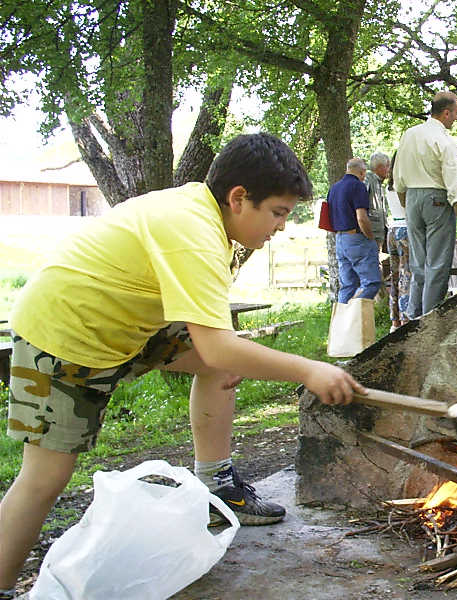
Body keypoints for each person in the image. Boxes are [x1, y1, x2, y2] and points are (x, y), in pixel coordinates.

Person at [0, 133, 364, 599]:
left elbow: (217, 348)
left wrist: (247, 358)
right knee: (45, 477)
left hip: (130, 323)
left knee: (224, 368)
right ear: (239, 198)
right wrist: (309, 370)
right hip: (65, 334)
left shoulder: (213, 220)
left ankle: (215, 488)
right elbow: (217, 347)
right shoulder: (193, 231)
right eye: (277, 212)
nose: (281, 227)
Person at [394, 91, 457, 318]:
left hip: (411, 199)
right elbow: (454, 186)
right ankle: (431, 321)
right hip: (437, 200)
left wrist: (407, 206)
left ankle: (413, 316)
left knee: (418, 264)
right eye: (456, 113)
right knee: (437, 265)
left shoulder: (409, 135)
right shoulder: (445, 141)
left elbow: (398, 176)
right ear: (446, 113)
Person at [327, 158, 382, 303]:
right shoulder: (358, 186)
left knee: (348, 286)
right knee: (371, 283)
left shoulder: (334, 188)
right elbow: (361, 218)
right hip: (356, 238)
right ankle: (354, 314)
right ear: (362, 172)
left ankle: (340, 322)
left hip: (340, 239)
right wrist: (370, 237)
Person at [385, 155, 411, 332]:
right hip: (405, 231)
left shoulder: (388, 186)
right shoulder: (405, 185)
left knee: (394, 277)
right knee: (406, 275)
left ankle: (394, 320)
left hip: (392, 230)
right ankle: (405, 318)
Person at [364, 152, 391, 251]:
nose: (389, 170)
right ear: (379, 167)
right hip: (371, 233)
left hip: (377, 234)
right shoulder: (368, 179)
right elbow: (360, 201)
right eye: (388, 166)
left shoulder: (379, 183)